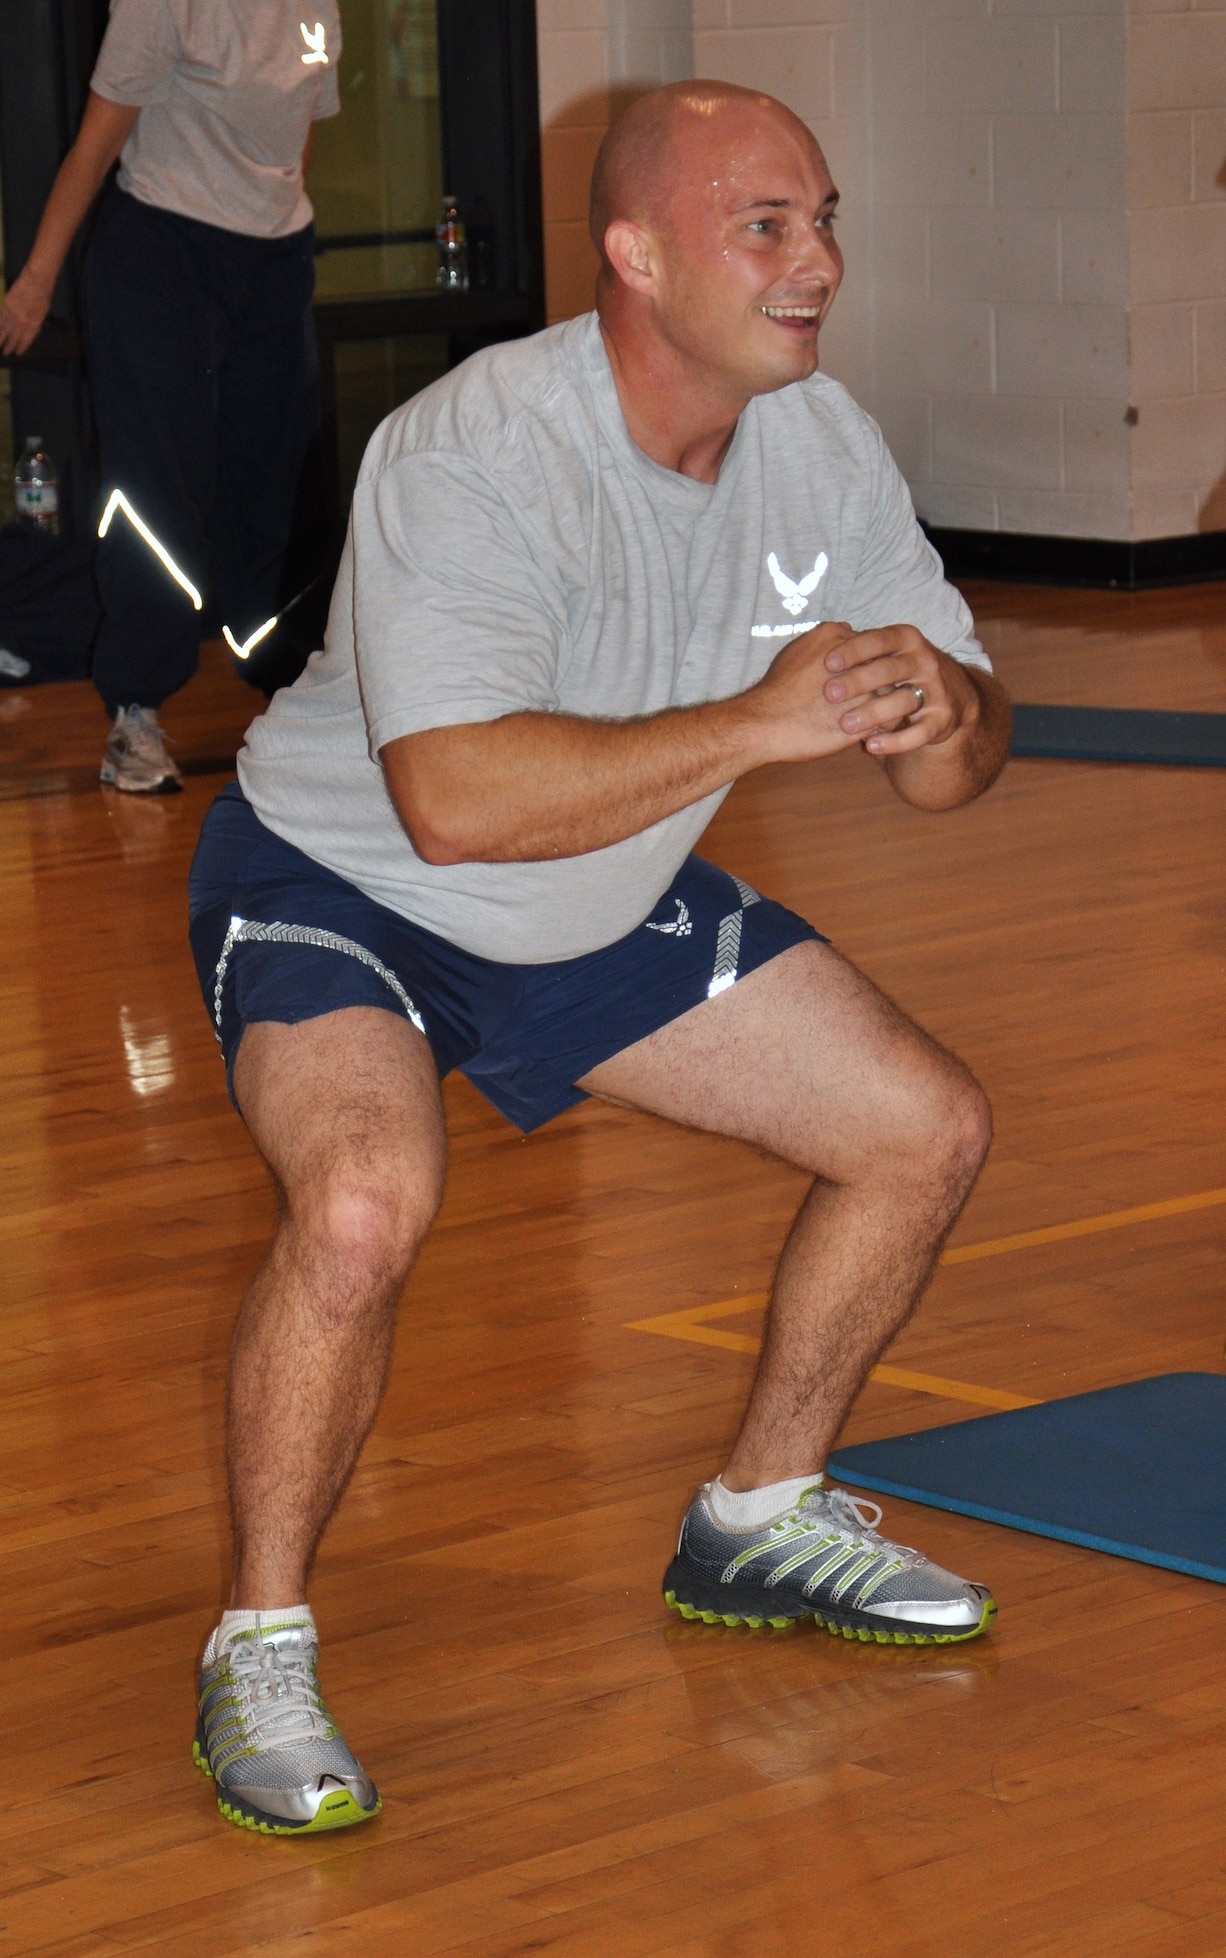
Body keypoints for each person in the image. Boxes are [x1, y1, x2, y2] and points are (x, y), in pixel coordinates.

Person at [185, 80, 1013, 1838]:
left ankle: (760, 1516)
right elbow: (455, 804)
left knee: (919, 1128)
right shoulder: (476, 450)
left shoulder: (827, 445)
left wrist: (949, 713)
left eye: (824, 218)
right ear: (634, 253)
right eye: (766, 226)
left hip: (597, 891)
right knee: (357, 1208)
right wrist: (758, 724)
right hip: (354, 883)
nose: (820, 263)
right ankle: (259, 1638)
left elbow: (955, 771)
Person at [0, 0, 341, 793]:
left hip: (275, 262)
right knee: (157, 496)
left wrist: (274, 226)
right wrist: (36, 281)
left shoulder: (319, 5)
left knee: (276, 492)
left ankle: (284, 694)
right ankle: (135, 715)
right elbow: (98, 139)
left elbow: (301, 134)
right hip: (160, 251)